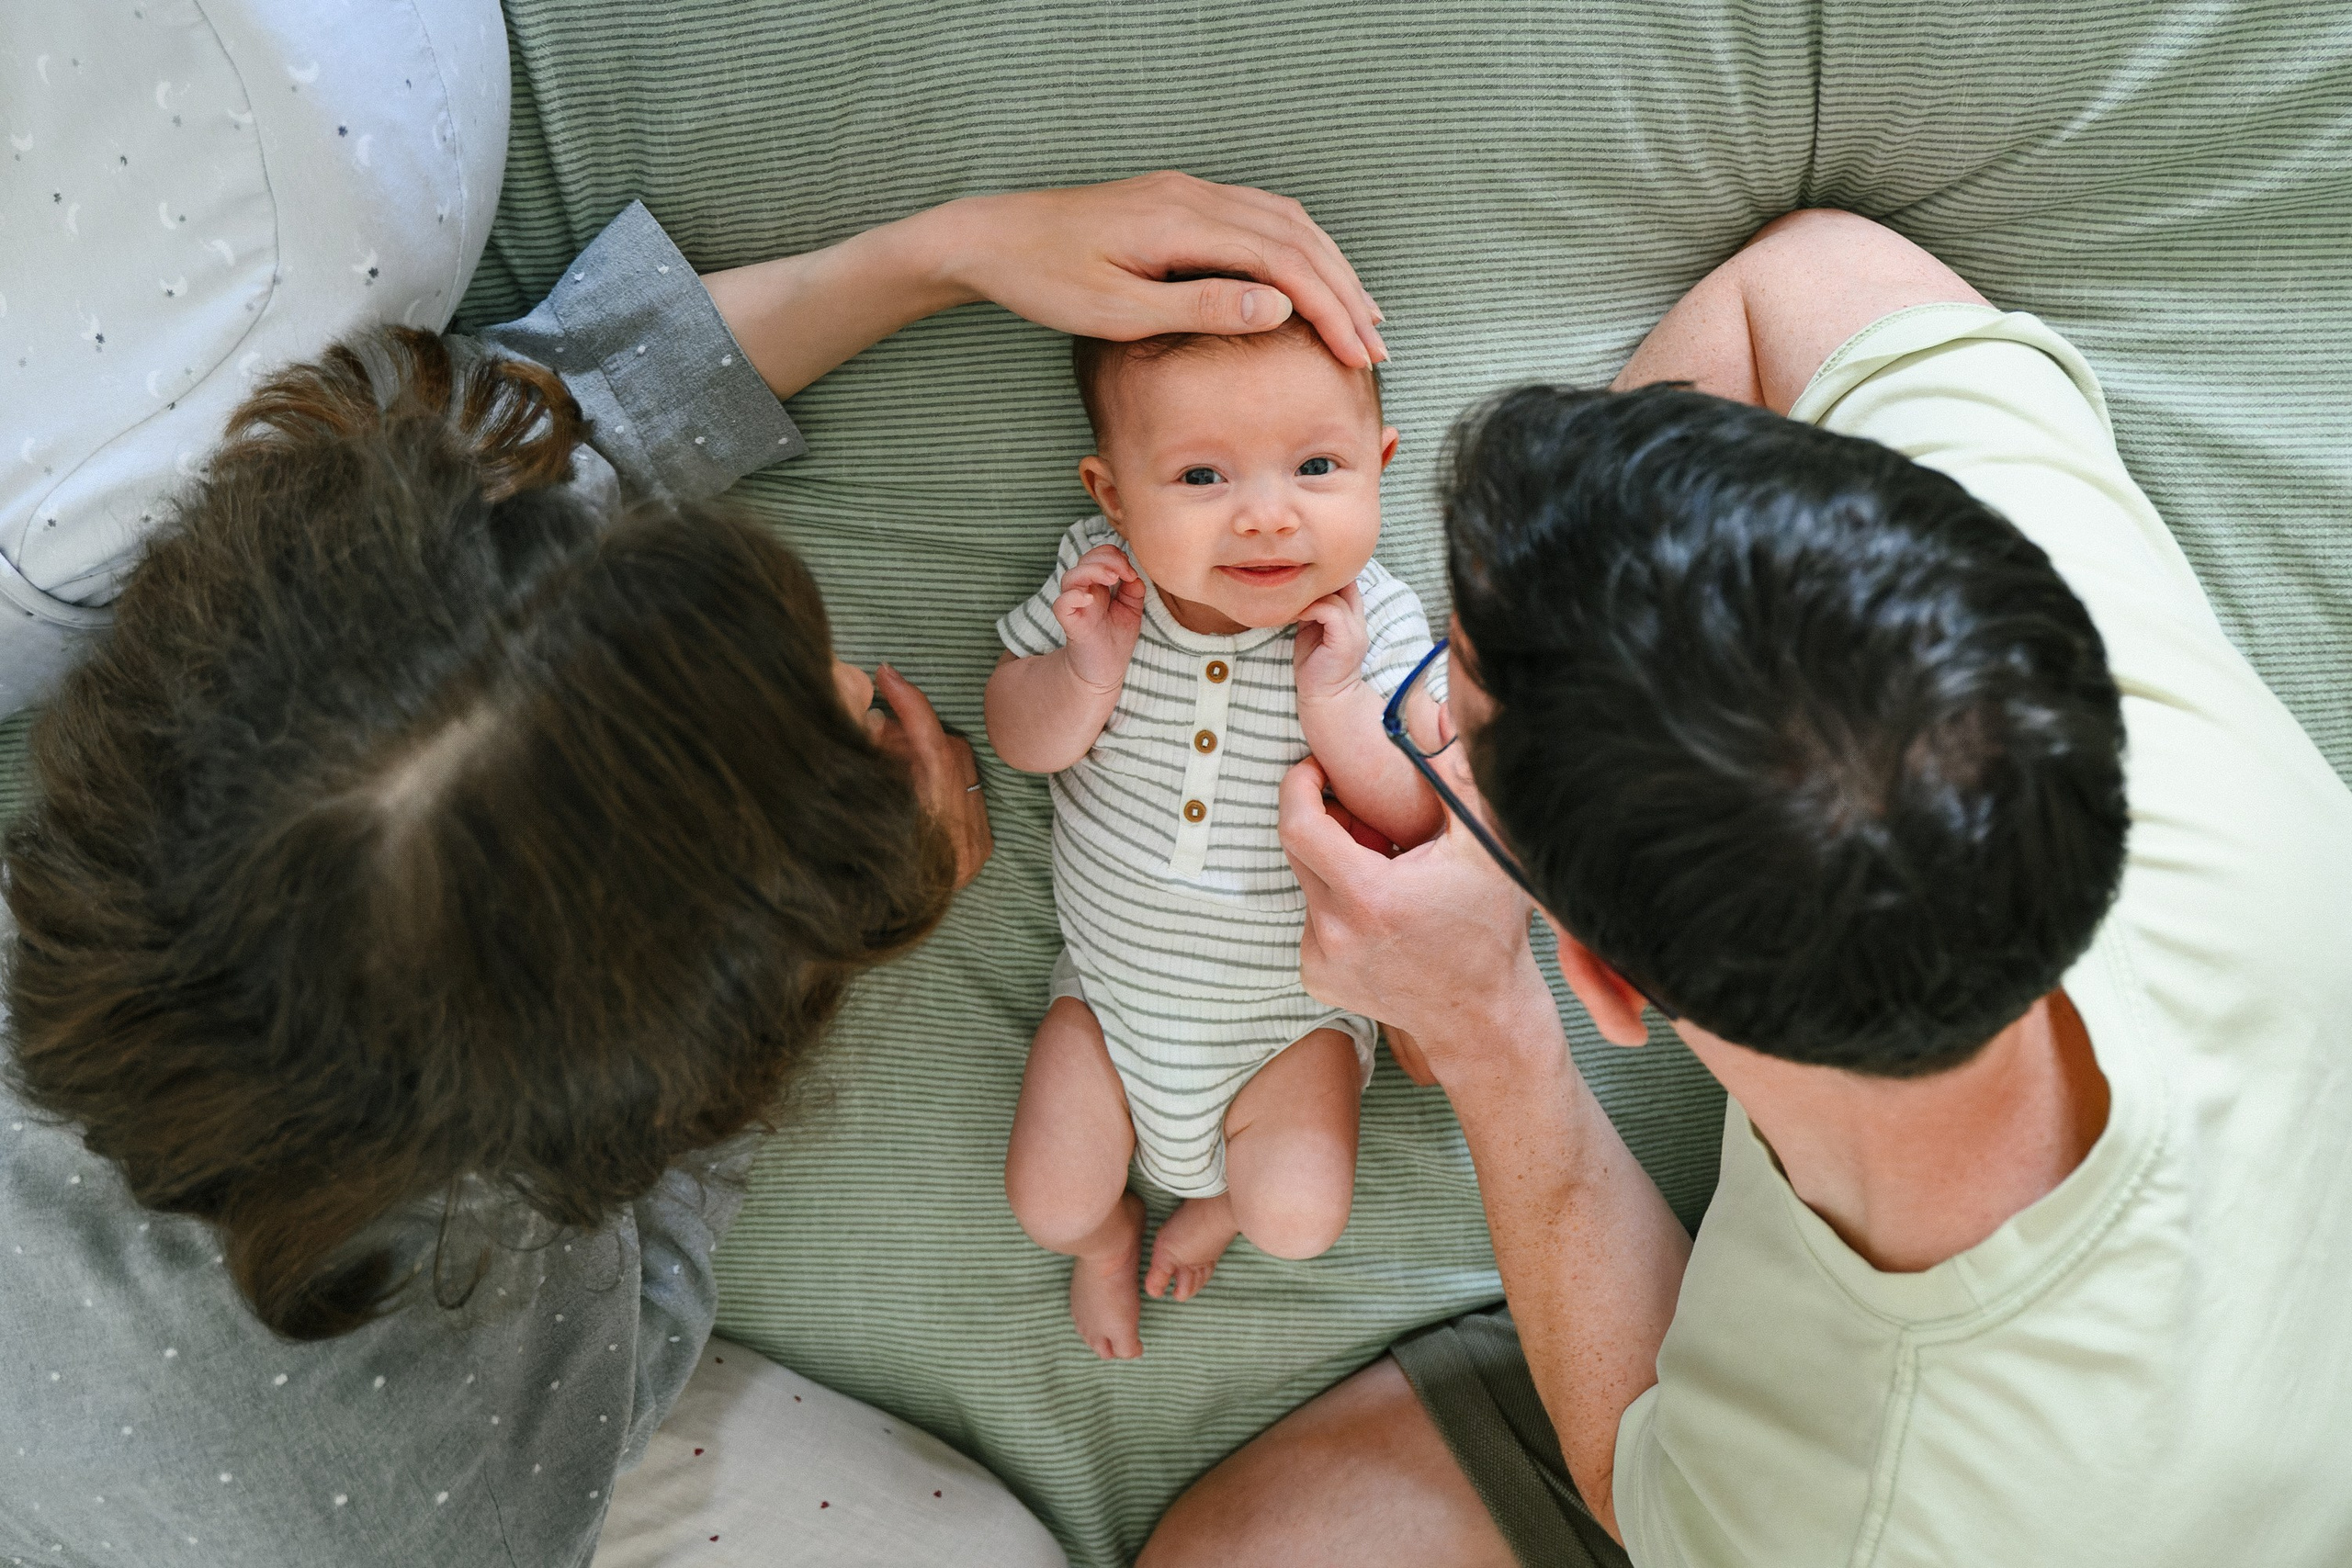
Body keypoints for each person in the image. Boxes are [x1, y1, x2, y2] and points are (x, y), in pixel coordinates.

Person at [0, 164, 1385, 1567]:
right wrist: (850, 907)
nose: (854, 670)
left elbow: (526, 461)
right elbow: (651, 1271)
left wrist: (941, 252)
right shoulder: (464, 1473)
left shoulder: (245, 676)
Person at [1141, 208, 2352, 1566]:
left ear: (1604, 975)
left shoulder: (1840, 1518)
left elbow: (1636, 1474)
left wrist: (1489, 1030)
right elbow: (1808, 277)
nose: (1423, 719)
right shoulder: (2077, 616)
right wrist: (1573, 601)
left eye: (1447, 713)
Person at [987, 317, 1441, 1359]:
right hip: (1109, 1002)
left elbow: (1420, 814)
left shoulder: (1379, 624)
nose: (1268, 518)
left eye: (1317, 467)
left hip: (1290, 1023)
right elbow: (1017, 736)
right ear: (1112, 495)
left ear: (1379, 467)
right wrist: (1083, 674)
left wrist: (1335, 708)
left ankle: (1227, 1208)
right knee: (1050, 1204)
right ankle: (1107, 1241)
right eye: (1201, 477)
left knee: (1297, 1219)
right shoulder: (1102, 589)